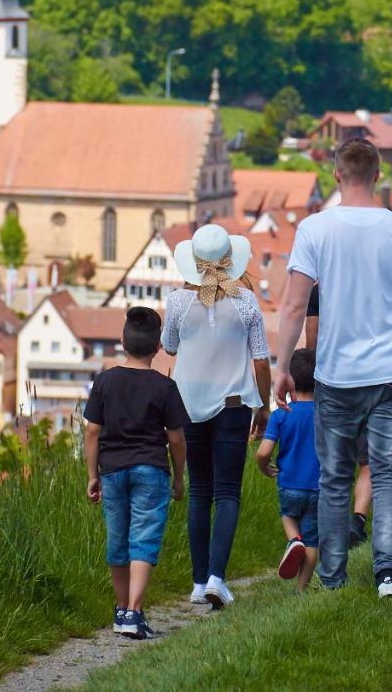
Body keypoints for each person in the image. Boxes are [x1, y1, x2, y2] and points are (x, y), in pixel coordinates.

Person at [274, 138, 392, 600]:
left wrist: (283, 366)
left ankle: (334, 577)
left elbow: (293, 305)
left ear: (336, 175)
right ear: (379, 175)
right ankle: (387, 576)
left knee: (335, 476)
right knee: (387, 473)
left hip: (337, 374)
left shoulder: (315, 230)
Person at [164, 224, 272, 610]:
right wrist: (264, 404)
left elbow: (170, 347)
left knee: (199, 492)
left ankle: (197, 581)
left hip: (189, 404)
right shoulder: (246, 303)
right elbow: (260, 360)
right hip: (233, 404)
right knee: (227, 492)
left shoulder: (176, 302)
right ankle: (216, 577)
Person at [83, 307, 188, 640]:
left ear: (122, 343)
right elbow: (176, 439)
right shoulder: (165, 387)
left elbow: (91, 432)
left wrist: (92, 474)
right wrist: (178, 476)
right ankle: (134, 612)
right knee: (143, 538)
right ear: (158, 347)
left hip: (112, 470)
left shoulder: (105, 381)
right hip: (151, 470)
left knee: (118, 540)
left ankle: (120, 609)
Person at [306, 284, 371, 549]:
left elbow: (312, 341)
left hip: (332, 377)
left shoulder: (320, 290)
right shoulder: (372, 282)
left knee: (334, 463)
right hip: (370, 376)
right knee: (368, 462)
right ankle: (357, 519)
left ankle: (331, 530)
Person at [255, 348, 321, 592]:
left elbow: (263, 452)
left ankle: (293, 540)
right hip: (318, 487)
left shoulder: (282, 413)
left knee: (289, 516)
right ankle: (300, 589)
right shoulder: (324, 413)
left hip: (288, 484)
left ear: (290, 378)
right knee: (313, 541)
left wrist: (264, 467)